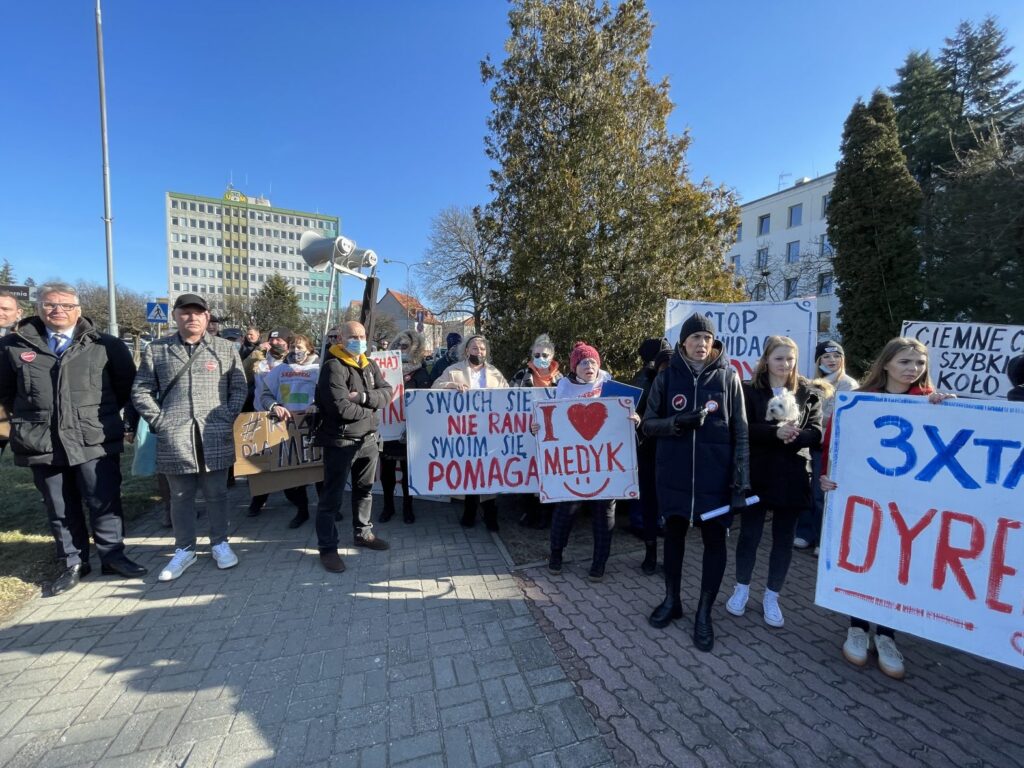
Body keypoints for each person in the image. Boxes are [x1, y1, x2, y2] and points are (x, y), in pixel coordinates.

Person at [820, 336, 955, 679]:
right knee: (864, 557)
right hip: (865, 501)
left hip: (909, 507)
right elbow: (836, 443)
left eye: (919, 363)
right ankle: (857, 626)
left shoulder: (932, 403)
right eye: (905, 362)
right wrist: (826, 476)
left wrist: (949, 409)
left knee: (898, 563)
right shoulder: (860, 402)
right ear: (887, 364)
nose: (913, 370)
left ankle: (887, 634)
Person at [0, 282, 146, 596]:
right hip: (42, 440)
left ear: (78, 309)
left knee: (103, 498)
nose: (58, 311)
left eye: (66, 305)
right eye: (51, 304)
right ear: (38, 309)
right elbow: (6, 394)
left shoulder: (105, 344)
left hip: (93, 437)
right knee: (59, 504)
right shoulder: (13, 345)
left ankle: (113, 556)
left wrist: (96, 416)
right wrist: (36, 417)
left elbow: (125, 388)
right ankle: (72, 561)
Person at [642, 313, 749, 652]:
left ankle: (704, 613)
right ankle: (672, 600)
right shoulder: (666, 376)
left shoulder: (729, 378)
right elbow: (647, 425)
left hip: (714, 479)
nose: (701, 344)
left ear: (713, 343)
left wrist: (740, 484)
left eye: (707, 339)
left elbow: (741, 433)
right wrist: (677, 422)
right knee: (673, 538)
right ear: (683, 342)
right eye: (695, 338)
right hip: (673, 476)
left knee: (715, 543)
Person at [131, 293, 247, 582]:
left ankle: (220, 543)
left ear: (207, 317)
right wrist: (160, 421)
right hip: (176, 434)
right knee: (180, 496)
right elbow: (140, 390)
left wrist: (227, 415)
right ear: (175, 316)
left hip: (214, 433)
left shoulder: (225, 348)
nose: (192, 317)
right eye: (186, 312)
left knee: (217, 494)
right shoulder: (157, 350)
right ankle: (185, 549)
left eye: (198, 312)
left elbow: (239, 388)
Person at [724, 336, 823, 628]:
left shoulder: (808, 391)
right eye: (779, 358)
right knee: (750, 535)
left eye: (790, 358)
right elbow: (739, 428)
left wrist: (796, 435)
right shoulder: (748, 390)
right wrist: (773, 433)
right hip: (758, 473)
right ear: (766, 359)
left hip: (792, 475)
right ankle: (741, 588)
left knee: (783, 540)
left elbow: (817, 431)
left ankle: (771, 596)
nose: (785, 364)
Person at [544, 342, 639, 581]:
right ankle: (556, 554)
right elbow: (552, 425)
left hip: (606, 463)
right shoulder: (563, 390)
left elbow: (621, 423)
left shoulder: (612, 390)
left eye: (593, 362)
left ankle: (599, 563)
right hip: (573, 465)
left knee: (604, 511)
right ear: (575, 367)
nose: (589, 366)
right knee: (566, 509)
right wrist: (538, 426)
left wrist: (635, 419)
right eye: (584, 362)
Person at [313, 320, 392, 573]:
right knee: (332, 498)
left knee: (364, 491)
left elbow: (388, 392)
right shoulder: (333, 366)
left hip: (368, 440)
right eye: (352, 336)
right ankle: (327, 548)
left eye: (361, 335)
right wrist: (373, 411)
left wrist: (365, 397)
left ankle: (363, 533)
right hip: (341, 441)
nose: (358, 339)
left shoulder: (369, 363)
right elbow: (340, 408)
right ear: (340, 339)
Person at [432, 334, 509, 530]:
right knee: (469, 470)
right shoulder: (453, 370)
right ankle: (470, 511)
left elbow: (508, 396)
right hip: (463, 429)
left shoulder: (495, 373)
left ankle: (491, 514)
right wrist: (451, 385)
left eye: (482, 349)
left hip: (488, 429)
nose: (479, 352)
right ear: (466, 350)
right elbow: (433, 389)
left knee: (488, 470)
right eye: (475, 348)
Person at [794, 341, 858, 552]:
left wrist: (815, 422)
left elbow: (839, 417)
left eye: (836, 356)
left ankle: (823, 539)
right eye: (826, 357)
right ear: (819, 361)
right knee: (805, 490)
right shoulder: (812, 383)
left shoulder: (848, 385)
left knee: (821, 494)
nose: (832, 361)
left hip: (828, 447)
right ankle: (805, 533)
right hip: (809, 443)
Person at [253, 333, 321, 528]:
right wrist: (274, 406)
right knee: (293, 475)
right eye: (293, 347)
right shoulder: (281, 369)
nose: (296, 351)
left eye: (300, 347)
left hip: (312, 424)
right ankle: (302, 510)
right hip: (287, 427)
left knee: (318, 472)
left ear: (309, 348)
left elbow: (328, 393)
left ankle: (327, 509)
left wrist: (318, 405)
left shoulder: (319, 368)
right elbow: (265, 395)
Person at [510, 334, 563, 529]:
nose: (541, 357)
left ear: (552, 356)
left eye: (545, 354)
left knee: (549, 470)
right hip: (525, 430)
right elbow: (508, 401)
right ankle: (530, 511)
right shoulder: (522, 375)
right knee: (528, 469)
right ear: (532, 354)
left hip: (552, 432)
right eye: (537, 353)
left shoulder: (561, 379)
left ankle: (547, 514)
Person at [379, 330, 431, 525]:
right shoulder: (384, 370)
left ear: (415, 347)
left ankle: (408, 507)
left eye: (406, 346)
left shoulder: (421, 371)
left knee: (408, 471)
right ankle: (388, 506)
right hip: (388, 427)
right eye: (399, 345)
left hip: (410, 429)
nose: (402, 349)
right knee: (387, 471)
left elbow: (425, 398)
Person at [632, 338, 672, 574]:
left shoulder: (681, 385)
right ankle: (650, 553)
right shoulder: (644, 382)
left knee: (668, 509)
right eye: (663, 367)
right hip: (648, 450)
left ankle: (669, 555)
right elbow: (634, 409)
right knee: (649, 505)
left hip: (671, 454)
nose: (666, 372)